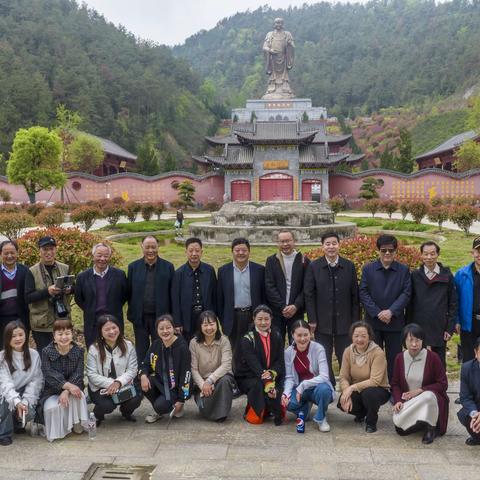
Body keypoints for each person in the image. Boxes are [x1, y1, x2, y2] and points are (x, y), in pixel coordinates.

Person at [304, 231, 360, 386]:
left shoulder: (348, 266)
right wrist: (312, 319)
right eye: (327, 244)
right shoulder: (314, 266)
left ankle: (346, 384)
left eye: (334, 243)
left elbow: (355, 296)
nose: (331, 247)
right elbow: (309, 294)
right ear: (322, 246)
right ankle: (328, 385)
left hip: (345, 321)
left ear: (339, 245)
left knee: (345, 354)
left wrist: (356, 322)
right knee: (324, 355)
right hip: (322, 321)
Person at [359, 234, 411, 380]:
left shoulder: (403, 270)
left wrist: (391, 312)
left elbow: (406, 294)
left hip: (394, 322)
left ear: (395, 251)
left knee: (394, 358)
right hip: (373, 322)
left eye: (391, 250)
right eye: (383, 250)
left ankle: (394, 387)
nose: (387, 253)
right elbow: (363, 292)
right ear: (378, 251)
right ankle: (376, 385)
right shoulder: (368, 269)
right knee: (373, 356)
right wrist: (377, 313)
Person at [391, 324, 449, 444]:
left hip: (431, 401)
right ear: (404, 341)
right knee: (400, 428)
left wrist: (420, 390)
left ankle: (431, 427)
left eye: (418, 340)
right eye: (410, 340)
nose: (414, 344)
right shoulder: (399, 358)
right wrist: (398, 401)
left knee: (428, 396)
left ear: (423, 341)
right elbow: (395, 384)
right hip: (410, 402)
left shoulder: (433, 357)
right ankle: (421, 420)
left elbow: (443, 384)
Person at [407, 241, 457, 369]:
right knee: (418, 363)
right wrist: (409, 328)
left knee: (439, 364)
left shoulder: (446, 275)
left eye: (432, 254)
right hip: (419, 327)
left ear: (438, 254)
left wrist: (450, 328)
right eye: (426, 254)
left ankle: (440, 389)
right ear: (421, 255)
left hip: (439, 327)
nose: (429, 257)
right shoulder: (415, 276)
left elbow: (453, 303)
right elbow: (410, 304)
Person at [86, 314, 142, 426]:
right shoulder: (94, 349)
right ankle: (97, 415)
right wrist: (111, 384)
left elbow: (132, 369)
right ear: (100, 332)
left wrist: (118, 382)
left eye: (114, 327)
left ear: (119, 328)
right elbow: (91, 374)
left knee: (136, 398)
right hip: (100, 388)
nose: (112, 331)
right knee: (108, 406)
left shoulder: (128, 345)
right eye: (107, 329)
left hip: (123, 386)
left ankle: (126, 412)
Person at [235, 305, 285, 425]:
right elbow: (253, 364)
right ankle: (255, 412)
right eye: (260, 319)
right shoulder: (248, 339)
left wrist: (272, 373)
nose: (263, 322)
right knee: (258, 386)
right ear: (254, 319)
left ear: (271, 319)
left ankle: (270, 409)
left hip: (271, 374)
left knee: (281, 384)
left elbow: (280, 361)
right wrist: (267, 380)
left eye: (266, 319)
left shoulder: (277, 336)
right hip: (250, 376)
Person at [40, 319, 89, 442]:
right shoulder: (46, 351)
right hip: (51, 391)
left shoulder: (78, 351)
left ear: (72, 334)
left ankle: (77, 423)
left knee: (79, 395)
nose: (64, 337)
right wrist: (66, 386)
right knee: (52, 408)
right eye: (60, 334)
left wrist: (67, 390)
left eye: (67, 333)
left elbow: (78, 373)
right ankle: (61, 428)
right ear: (54, 336)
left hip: (74, 388)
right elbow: (49, 374)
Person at [127, 236, 174, 362]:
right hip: (140, 318)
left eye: (153, 247)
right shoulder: (133, 267)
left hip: (161, 318)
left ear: (158, 247)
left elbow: (172, 294)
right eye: (147, 247)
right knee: (141, 349)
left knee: (160, 348)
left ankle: (159, 376)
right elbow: (129, 292)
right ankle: (142, 375)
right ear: (142, 247)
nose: (150, 250)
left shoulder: (168, 267)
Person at [282, 320, 334, 432]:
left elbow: (324, 376)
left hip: (317, 387)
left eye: (306, 335)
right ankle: (305, 408)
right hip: (300, 389)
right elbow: (289, 377)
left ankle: (321, 418)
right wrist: (286, 394)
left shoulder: (318, 348)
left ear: (310, 334)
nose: (302, 339)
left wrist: (303, 385)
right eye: (299, 335)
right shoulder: (288, 352)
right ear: (292, 335)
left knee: (325, 390)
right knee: (287, 403)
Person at [337, 321, 390, 433]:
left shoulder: (378, 353)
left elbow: (375, 381)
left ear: (369, 337)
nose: (359, 339)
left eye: (363, 336)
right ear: (352, 336)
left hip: (378, 389)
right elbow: (343, 376)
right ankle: (362, 413)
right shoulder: (348, 351)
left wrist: (351, 388)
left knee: (369, 394)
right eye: (356, 336)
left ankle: (371, 422)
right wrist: (346, 390)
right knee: (342, 401)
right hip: (358, 389)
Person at [139, 314, 191, 424]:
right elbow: (145, 363)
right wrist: (143, 375)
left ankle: (172, 406)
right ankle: (162, 408)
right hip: (161, 382)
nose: (165, 331)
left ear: (174, 328)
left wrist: (181, 399)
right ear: (157, 330)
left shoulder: (182, 347)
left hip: (175, 388)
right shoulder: (156, 344)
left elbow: (186, 374)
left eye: (168, 327)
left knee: (160, 406)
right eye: (161, 328)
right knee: (142, 382)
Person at [25, 236, 72, 354]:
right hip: (42, 323)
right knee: (45, 354)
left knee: (64, 352)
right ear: (39, 251)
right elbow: (28, 297)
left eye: (51, 249)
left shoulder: (65, 268)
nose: (48, 252)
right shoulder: (31, 271)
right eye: (45, 249)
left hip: (62, 319)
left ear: (56, 250)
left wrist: (69, 290)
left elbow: (74, 288)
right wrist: (47, 292)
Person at [217, 238, 265, 354]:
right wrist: (223, 320)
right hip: (233, 317)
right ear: (232, 252)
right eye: (237, 250)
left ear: (249, 251)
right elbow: (220, 298)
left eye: (244, 250)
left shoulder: (259, 270)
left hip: (254, 315)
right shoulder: (223, 271)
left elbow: (264, 295)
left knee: (255, 347)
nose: (240, 253)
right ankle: (236, 371)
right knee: (236, 349)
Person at [75, 242, 127, 347]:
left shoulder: (119, 275)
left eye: (106, 256)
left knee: (115, 351)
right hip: (92, 322)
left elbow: (124, 296)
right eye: (99, 255)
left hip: (114, 321)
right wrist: (90, 308)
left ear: (110, 257)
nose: (102, 259)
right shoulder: (82, 277)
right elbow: (78, 298)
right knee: (94, 351)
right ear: (93, 256)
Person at [0, 321, 43, 446]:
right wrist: (17, 402)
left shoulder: (34, 355)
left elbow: (36, 381)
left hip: (24, 392)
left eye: (20, 335)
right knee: (7, 402)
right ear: (7, 338)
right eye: (13, 336)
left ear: (26, 335)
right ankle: (4, 433)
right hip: (5, 393)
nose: (18, 338)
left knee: (28, 413)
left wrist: (24, 402)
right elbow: (5, 384)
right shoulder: (2, 357)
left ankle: (17, 423)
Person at [265, 230, 310, 342]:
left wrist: (295, 306)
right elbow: (269, 285)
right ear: (278, 243)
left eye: (288, 241)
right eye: (282, 241)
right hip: (277, 311)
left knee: (296, 342)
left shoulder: (304, 261)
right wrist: (282, 306)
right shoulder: (271, 260)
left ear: (294, 241)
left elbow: (307, 287)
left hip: (296, 310)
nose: (285, 244)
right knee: (276, 341)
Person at [189, 311, 235, 422]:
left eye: (212, 324)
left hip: (219, 380)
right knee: (204, 407)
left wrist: (210, 381)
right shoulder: (193, 343)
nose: (209, 328)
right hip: (201, 384)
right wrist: (203, 384)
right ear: (200, 327)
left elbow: (226, 365)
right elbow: (193, 369)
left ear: (217, 325)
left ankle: (221, 414)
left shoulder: (224, 340)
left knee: (225, 381)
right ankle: (209, 410)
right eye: (205, 325)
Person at [171, 238, 217, 341]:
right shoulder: (179, 273)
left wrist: (213, 316)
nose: (194, 253)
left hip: (205, 314)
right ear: (186, 252)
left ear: (202, 252)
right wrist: (177, 322)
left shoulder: (209, 270)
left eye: (197, 250)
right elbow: (175, 300)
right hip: (187, 317)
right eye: (191, 251)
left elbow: (215, 295)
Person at [454, 236, 480, 363]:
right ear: (473, 253)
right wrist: (457, 320)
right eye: (478, 251)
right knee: (469, 360)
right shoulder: (462, 274)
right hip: (469, 323)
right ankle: (469, 383)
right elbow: (455, 300)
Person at [0, 241, 29, 347]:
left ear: (17, 253)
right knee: (3, 349)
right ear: (1, 254)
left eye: (12, 252)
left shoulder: (25, 271)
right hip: (2, 319)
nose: (9, 256)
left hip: (21, 318)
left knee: (21, 348)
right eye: (6, 253)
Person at [262, 17, 295, 98]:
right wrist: (270, 50)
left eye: (280, 23)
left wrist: (290, 44)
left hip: (284, 58)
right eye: (277, 23)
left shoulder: (287, 34)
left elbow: (293, 46)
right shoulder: (270, 34)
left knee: (284, 76)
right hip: (273, 59)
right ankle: (272, 88)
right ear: (274, 24)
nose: (278, 24)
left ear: (282, 24)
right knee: (273, 76)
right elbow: (264, 47)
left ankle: (285, 88)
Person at [458, 337, 480, 445]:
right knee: (464, 414)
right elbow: (465, 397)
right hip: (477, 408)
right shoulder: (467, 368)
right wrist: (475, 414)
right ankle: (478, 437)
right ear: (476, 352)